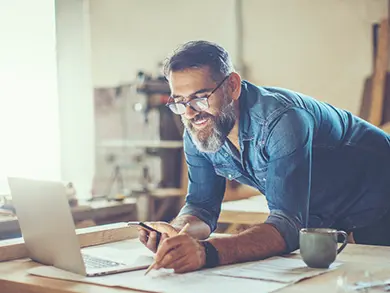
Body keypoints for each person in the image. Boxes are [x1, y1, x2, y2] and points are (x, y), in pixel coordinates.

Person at [137, 40, 390, 273]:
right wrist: (178, 233)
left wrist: (206, 253)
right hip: (328, 212)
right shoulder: (199, 128)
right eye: (180, 102)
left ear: (233, 86)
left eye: (200, 98)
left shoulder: (282, 120)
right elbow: (202, 207)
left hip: (381, 192)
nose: (190, 113)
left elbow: (287, 226)